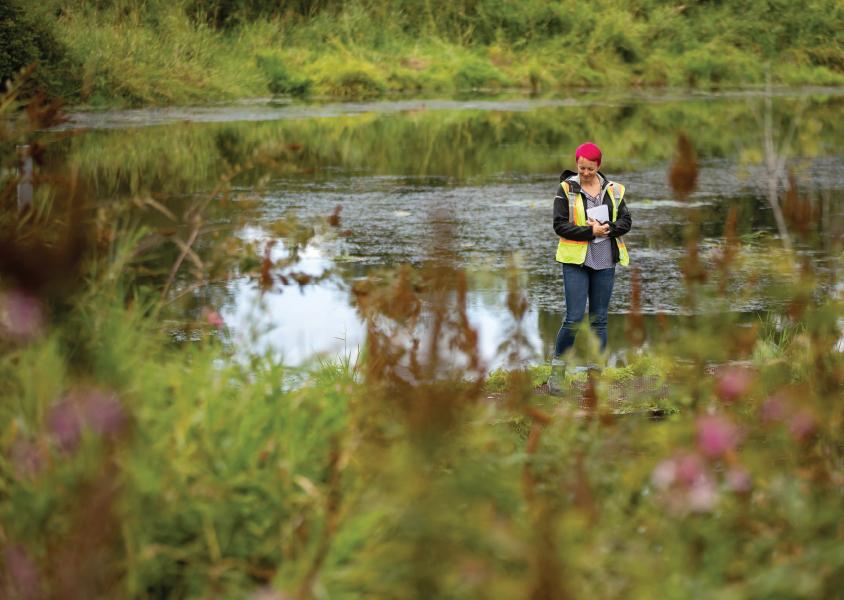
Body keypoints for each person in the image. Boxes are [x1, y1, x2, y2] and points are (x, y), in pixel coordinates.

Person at [552, 141, 631, 360]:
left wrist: (609, 228)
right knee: (574, 319)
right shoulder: (566, 189)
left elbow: (626, 221)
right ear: (577, 164)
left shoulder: (614, 190)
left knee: (599, 320)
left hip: (605, 260)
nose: (586, 173)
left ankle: (595, 377)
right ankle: (558, 372)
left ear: (599, 166)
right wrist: (590, 232)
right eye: (581, 168)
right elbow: (559, 225)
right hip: (576, 261)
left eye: (590, 168)